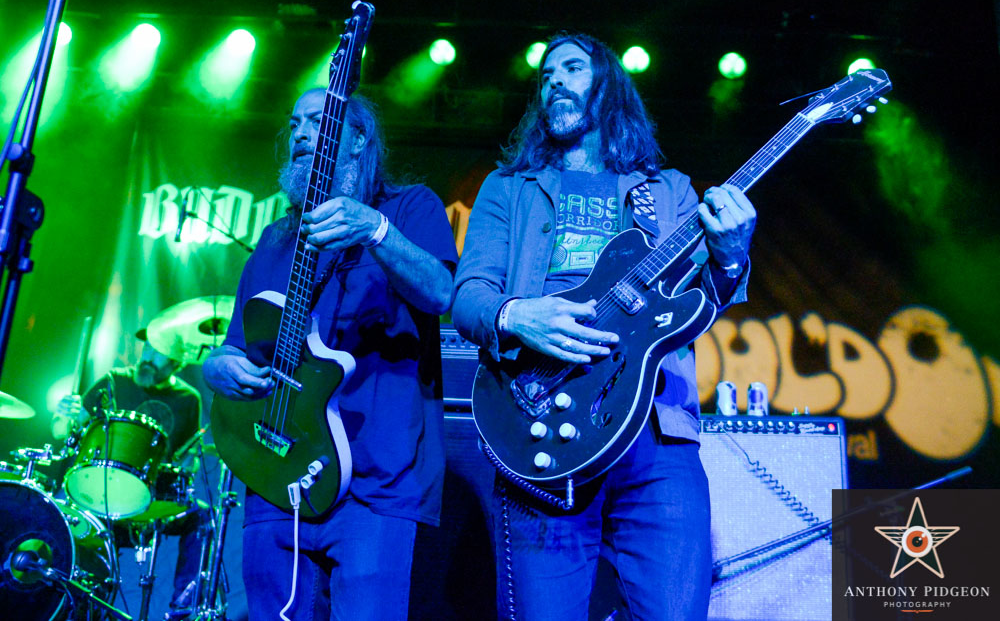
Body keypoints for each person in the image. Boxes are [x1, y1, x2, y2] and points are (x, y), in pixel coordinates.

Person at [452, 33, 757, 620]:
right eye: (545, 74)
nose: (554, 80)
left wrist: (730, 257)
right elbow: (469, 297)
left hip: (656, 442)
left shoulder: (666, 191)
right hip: (539, 424)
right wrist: (519, 315)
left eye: (572, 68)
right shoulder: (508, 189)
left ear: (608, 85)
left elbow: (700, 304)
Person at [202, 90, 457, 621]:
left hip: (376, 484)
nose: (299, 133)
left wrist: (376, 230)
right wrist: (218, 368)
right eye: (294, 122)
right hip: (277, 482)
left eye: (318, 121)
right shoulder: (274, 240)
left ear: (359, 140)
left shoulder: (410, 207)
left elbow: (440, 293)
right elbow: (234, 347)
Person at [52, 329, 204, 617]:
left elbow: (187, 461)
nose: (147, 356)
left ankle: (185, 609)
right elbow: (63, 430)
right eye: (147, 347)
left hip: (150, 497)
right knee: (57, 511)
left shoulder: (188, 398)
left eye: (158, 351)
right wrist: (62, 415)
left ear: (177, 361)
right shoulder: (114, 381)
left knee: (203, 515)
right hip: (99, 488)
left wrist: (189, 466)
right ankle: (53, 602)